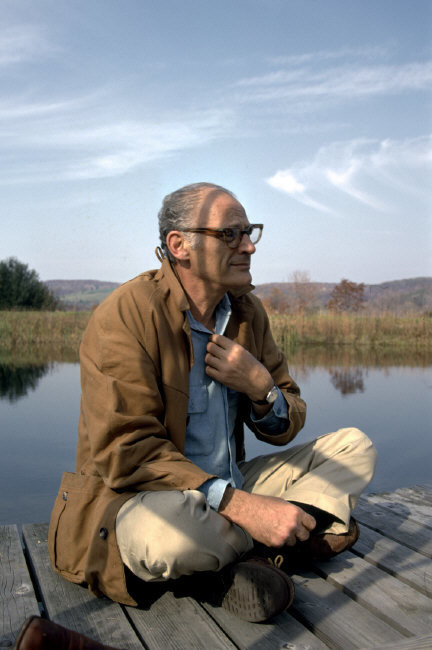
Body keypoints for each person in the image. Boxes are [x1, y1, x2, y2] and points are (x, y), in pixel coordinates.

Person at [49, 182, 377, 624]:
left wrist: (260, 387)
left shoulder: (246, 313)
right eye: (230, 234)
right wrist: (246, 509)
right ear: (179, 245)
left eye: (249, 232)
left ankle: (248, 553)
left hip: (231, 487)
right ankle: (287, 539)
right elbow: (125, 452)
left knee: (354, 447)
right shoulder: (125, 315)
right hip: (143, 500)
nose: (248, 247)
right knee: (165, 537)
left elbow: (289, 420)